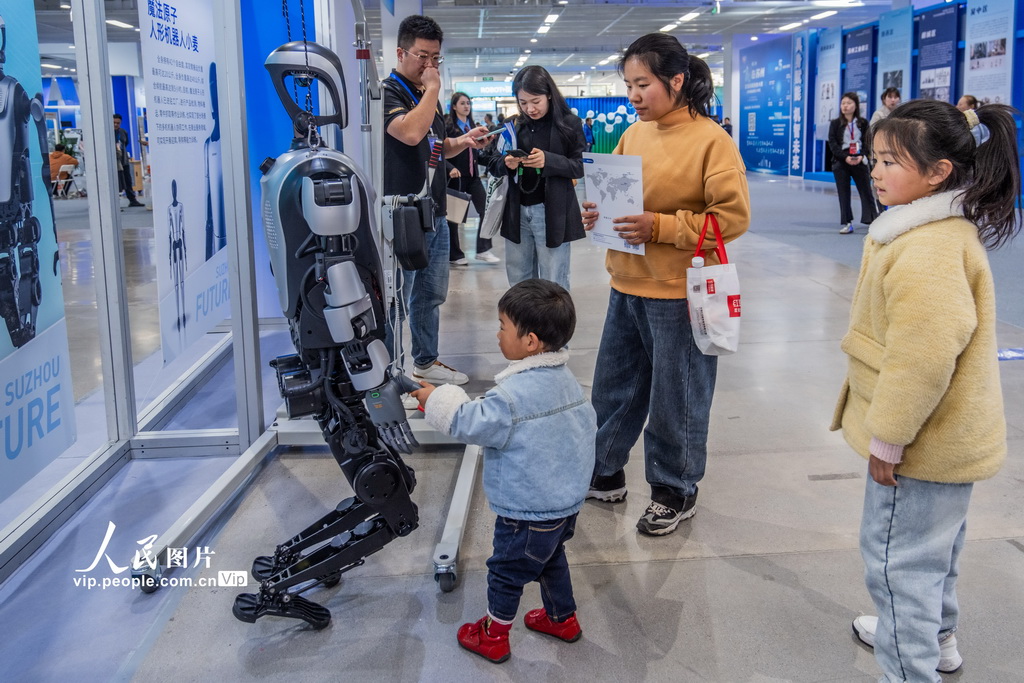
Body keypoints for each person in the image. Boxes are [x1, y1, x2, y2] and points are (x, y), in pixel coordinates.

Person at [834, 100, 1020, 683]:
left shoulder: (925, 248)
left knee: (898, 565)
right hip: (948, 440)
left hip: (920, 444)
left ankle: (910, 668)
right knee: (935, 552)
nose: (875, 169)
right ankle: (937, 640)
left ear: (939, 173)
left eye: (892, 161)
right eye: (877, 156)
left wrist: (888, 439)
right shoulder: (932, 229)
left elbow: (923, 360)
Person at [581, 33, 750, 535]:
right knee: (615, 388)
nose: (633, 95)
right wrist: (600, 213)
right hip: (626, 283)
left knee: (676, 398)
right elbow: (623, 198)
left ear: (676, 81)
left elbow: (732, 220)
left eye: (643, 84)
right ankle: (604, 471)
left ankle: (674, 489)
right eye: (628, 84)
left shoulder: (711, 141)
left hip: (680, 293)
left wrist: (663, 227)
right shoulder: (634, 134)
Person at [411, 279, 596, 664]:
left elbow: (466, 421)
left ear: (530, 342)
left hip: (525, 513)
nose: (496, 335)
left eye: (501, 326)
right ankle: (562, 619)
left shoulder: (510, 397)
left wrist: (436, 398)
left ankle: (494, 635)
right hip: (563, 506)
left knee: (505, 571)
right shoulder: (569, 383)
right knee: (550, 560)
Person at [381, 15, 489, 387]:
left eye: (436, 59)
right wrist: (431, 89)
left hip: (435, 212)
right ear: (401, 52)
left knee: (430, 294)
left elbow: (434, 148)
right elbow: (410, 133)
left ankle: (425, 361)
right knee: (399, 296)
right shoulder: (388, 92)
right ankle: (389, 370)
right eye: (423, 56)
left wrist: (464, 142)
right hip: (403, 213)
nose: (430, 66)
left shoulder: (429, 98)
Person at [484, 65, 585, 291]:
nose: (530, 108)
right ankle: (522, 325)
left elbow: (579, 166)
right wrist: (506, 163)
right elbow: (492, 162)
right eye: (523, 102)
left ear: (549, 94)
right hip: (516, 212)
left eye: (535, 101)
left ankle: (553, 327)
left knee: (553, 280)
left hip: (552, 212)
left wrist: (548, 161)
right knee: (519, 280)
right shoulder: (512, 126)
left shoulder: (569, 124)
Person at [445, 92, 500, 265]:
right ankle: (454, 255)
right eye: (462, 103)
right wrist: (450, 168)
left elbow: (475, 153)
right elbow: (440, 152)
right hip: (456, 177)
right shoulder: (449, 127)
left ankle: (483, 249)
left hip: (473, 176)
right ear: (454, 106)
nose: (466, 106)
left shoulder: (471, 127)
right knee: (454, 217)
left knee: (486, 209)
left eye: (468, 103)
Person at [828, 91, 877, 234]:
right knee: (844, 193)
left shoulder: (863, 123)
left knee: (866, 192)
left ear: (855, 106)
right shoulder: (835, 123)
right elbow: (833, 143)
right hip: (842, 160)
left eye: (849, 103)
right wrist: (845, 157)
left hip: (860, 159)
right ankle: (847, 222)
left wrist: (862, 156)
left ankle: (872, 220)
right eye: (843, 103)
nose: (845, 106)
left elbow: (867, 141)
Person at [112, 114, 144, 207]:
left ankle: (132, 200)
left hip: (123, 159)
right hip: (114, 161)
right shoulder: (108, 132)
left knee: (128, 180)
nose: (116, 125)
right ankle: (114, 203)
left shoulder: (123, 132)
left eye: (118, 123)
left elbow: (126, 143)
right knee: (116, 181)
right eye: (114, 123)